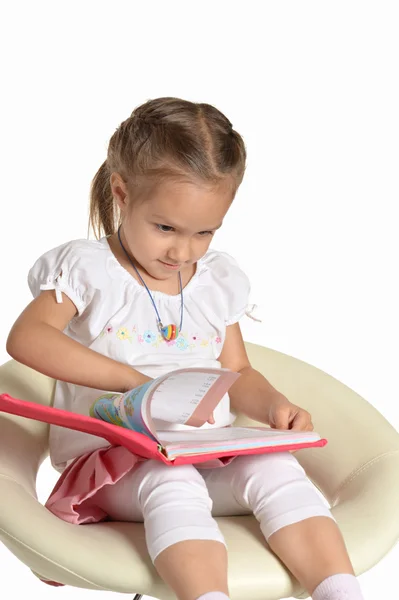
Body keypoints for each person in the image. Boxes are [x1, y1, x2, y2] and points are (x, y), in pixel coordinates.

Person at [6, 97, 364, 600]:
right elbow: (27, 339)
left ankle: (341, 592)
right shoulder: (88, 270)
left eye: (204, 233)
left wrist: (274, 406)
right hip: (120, 463)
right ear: (121, 193)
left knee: (277, 467)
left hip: (203, 453)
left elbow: (237, 369)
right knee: (171, 484)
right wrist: (133, 383)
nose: (182, 252)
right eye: (165, 228)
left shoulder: (216, 280)